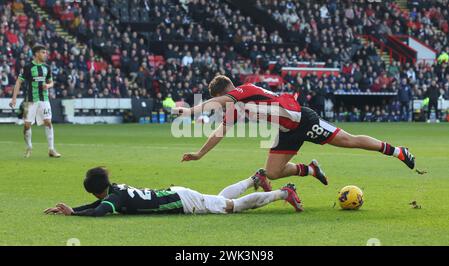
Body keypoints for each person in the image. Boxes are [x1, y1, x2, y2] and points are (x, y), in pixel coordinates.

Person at [174, 75, 415, 192]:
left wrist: (188, 112)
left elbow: (217, 104)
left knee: (347, 141)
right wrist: (199, 154)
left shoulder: (243, 90)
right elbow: (219, 132)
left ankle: (397, 151)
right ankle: (311, 169)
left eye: (220, 100)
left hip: (303, 119)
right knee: (272, 172)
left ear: (222, 93)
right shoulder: (236, 108)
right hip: (286, 131)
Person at [44, 167, 303, 216]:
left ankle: (283, 193)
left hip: (182, 200)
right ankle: (254, 178)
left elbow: (100, 211)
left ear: (95, 191)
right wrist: (72, 209)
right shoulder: (116, 190)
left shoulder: (113, 198)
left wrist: (74, 214)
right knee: (220, 199)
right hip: (178, 194)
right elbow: (99, 206)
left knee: (230, 207)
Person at [9, 44, 61, 158]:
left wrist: (48, 85)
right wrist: (14, 99)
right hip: (31, 100)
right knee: (27, 125)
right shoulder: (28, 67)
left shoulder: (47, 68)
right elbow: (18, 82)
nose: (45, 54)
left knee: (48, 122)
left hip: (44, 99)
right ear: (37, 54)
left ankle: (51, 149)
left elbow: (51, 82)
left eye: (46, 52)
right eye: (43, 52)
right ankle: (29, 147)